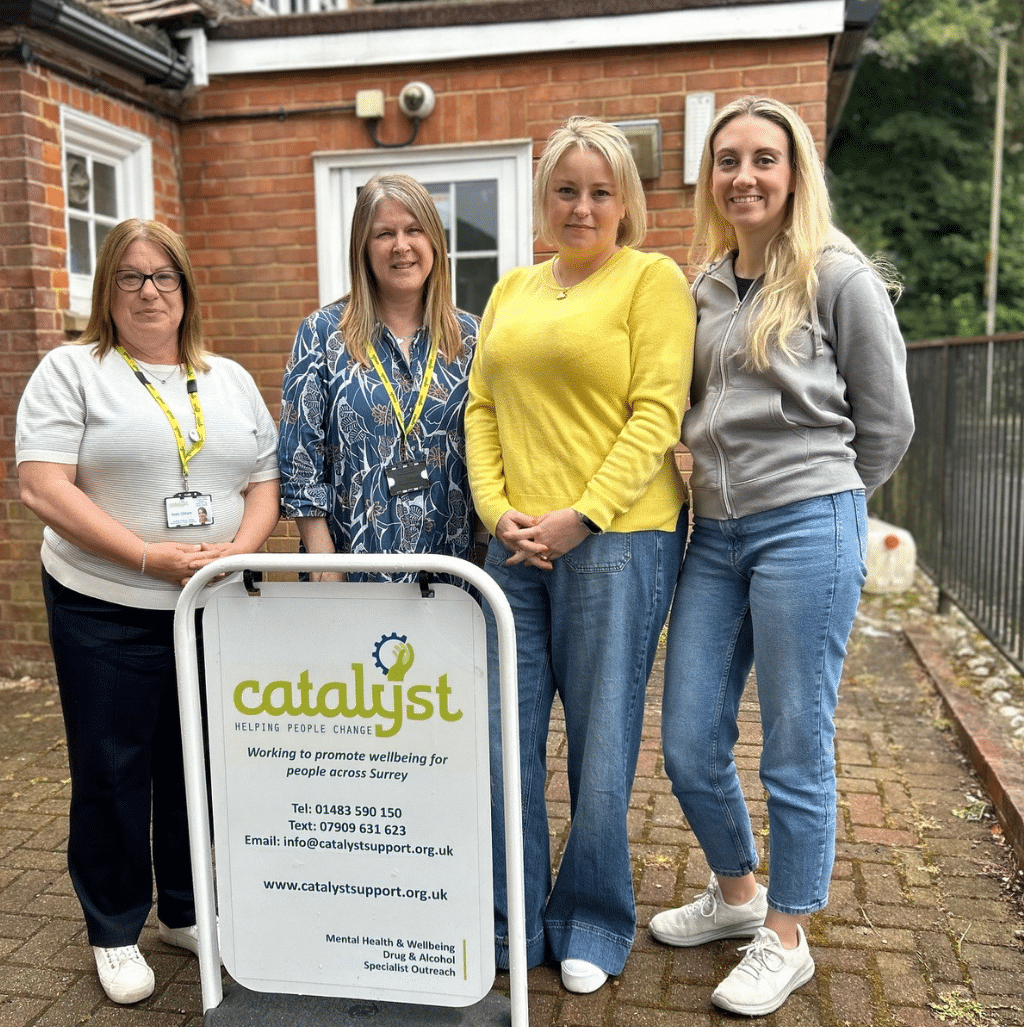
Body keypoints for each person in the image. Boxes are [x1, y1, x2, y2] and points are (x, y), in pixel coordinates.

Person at [648, 96, 914, 1016]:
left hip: (806, 525)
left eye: (765, 159)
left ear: (794, 171)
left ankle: (788, 934)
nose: (745, 176)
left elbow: (888, 423)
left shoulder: (838, 277)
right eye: (728, 161)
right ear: (710, 179)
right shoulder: (704, 288)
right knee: (688, 740)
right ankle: (736, 897)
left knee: (795, 748)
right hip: (714, 537)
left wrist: (829, 498)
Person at [16, 219, 279, 1005]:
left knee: (195, 763)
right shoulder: (74, 370)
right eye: (130, 277)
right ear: (107, 291)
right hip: (107, 605)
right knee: (113, 766)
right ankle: (115, 926)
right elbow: (43, 485)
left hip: (208, 607)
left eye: (164, 276)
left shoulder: (225, 376)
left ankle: (188, 910)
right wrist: (145, 557)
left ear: (187, 288)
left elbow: (264, 480)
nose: (149, 291)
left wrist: (238, 553)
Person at [465, 116, 695, 993]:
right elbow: (481, 409)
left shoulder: (651, 280)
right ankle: (513, 920)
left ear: (626, 201)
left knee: (601, 747)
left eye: (601, 190)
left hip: (619, 543)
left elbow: (656, 412)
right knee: (505, 743)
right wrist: (500, 511)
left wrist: (583, 516)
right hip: (512, 550)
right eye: (567, 189)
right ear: (544, 199)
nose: (583, 205)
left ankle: (593, 919)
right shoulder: (513, 290)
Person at [278, 173, 479, 579]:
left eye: (414, 230)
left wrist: (483, 548)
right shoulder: (322, 335)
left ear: (435, 243)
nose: (401, 246)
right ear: (363, 250)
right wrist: (322, 558)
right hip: (349, 571)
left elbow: (490, 452)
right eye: (384, 233)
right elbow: (300, 455)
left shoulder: (472, 339)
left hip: (454, 573)